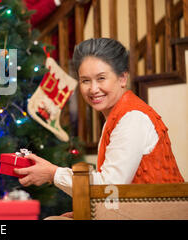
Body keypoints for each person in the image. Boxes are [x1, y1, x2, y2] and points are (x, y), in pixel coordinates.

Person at [15, 38, 184, 198]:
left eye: (101, 78)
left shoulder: (132, 118)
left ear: (122, 78)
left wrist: (53, 173)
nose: (93, 89)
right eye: (85, 81)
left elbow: (110, 186)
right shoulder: (117, 116)